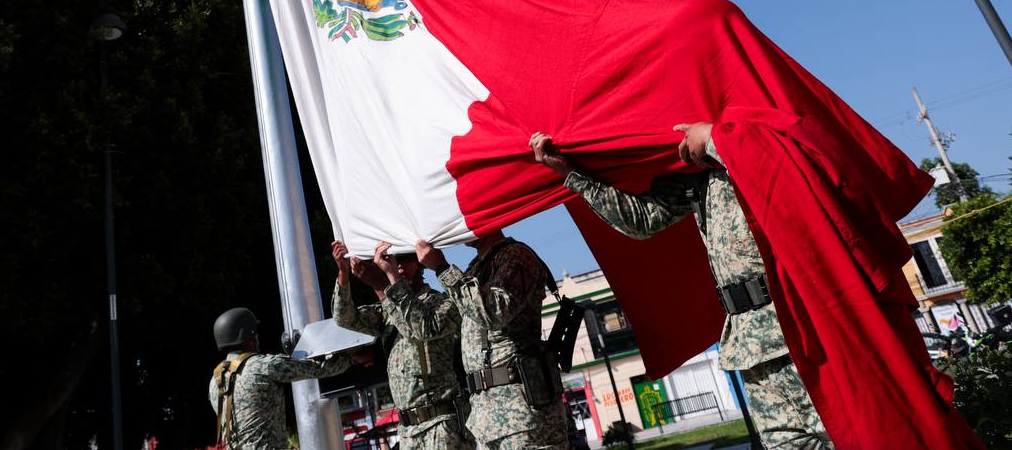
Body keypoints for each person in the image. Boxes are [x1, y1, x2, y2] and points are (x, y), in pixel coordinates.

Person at [530, 125, 831, 449]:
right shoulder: (697, 179)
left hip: (799, 332)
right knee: (786, 444)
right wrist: (572, 173)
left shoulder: (755, 147)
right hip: (748, 344)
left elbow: (792, 147)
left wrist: (716, 138)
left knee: (842, 434)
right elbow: (641, 220)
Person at [415, 232, 570, 449]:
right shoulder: (477, 267)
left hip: (524, 415)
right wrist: (389, 283)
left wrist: (442, 269)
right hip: (488, 419)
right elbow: (434, 324)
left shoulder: (516, 256)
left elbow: (493, 312)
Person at [331, 240, 472, 449]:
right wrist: (343, 274)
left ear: (419, 263)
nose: (398, 265)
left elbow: (420, 329)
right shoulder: (387, 311)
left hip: (441, 424)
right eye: (392, 259)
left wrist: (383, 286)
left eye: (405, 259)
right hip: (407, 430)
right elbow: (344, 318)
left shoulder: (440, 303)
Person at [208, 307, 351, 449]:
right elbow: (323, 368)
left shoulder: (215, 381)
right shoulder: (263, 366)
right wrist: (352, 356)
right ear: (250, 335)